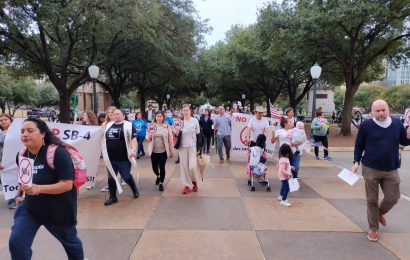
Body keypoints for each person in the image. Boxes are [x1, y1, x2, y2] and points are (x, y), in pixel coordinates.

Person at [9, 118, 84, 259]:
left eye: (30, 131)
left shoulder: (58, 153)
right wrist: (18, 195)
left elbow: (67, 184)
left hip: (58, 210)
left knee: (71, 243)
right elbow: (23, 180)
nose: (25, 134)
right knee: (17, 243)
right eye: (22, 131)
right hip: (30, 209)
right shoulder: (21, 154)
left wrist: (38, 188)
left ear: (43, 133)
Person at [351, 99, 410, 242]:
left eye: (383, 110)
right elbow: (359, 145)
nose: (381, 113)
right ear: (372, 112)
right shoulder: (365, 125)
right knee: (372, 200)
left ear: (388, 110)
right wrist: (356, 161)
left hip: (391, 168)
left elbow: (404, 142)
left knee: (393, 197)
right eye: (377, 110)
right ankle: (373, 228)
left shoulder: (396, 124)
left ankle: (380, 212)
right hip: (370, 167)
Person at [102, 109, 139, 206]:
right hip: (110, 157)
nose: (115, 116)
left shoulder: (129, 125)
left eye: (117, 114)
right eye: (114, 114)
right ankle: (113, 197)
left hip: (123, 158)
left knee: (126, 176)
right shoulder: (108, 125)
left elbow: (133, 139)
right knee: (111, 178)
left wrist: (133, 150)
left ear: (123, 115)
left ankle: (134, 189)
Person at [145, 111, 175, 192]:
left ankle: (161, 182)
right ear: (155, 117)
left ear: (163, 117)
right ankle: (158, 176)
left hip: (163, 151)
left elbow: (170, 140)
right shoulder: (151, 126)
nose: (159, 118)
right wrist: (149, 138)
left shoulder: (166, 126)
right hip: (153, 151)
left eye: (161, 116)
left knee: (162, 167)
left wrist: (171, 151)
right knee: (154, 167)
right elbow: (147, 136)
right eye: (158, 116)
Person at [177, 104, 200, 194]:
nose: (186, 112)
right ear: (182, 112)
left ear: (190, 111)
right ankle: (187, 185)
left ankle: (194, 182)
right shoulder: (179, 122)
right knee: (184, 167)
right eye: (184, 110)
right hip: (182, 147)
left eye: (187, 110)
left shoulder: (195, 121)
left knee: (192, 166)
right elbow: (175, 133)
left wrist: (200, 147)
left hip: (192, 146)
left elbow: (198, 133)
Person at [0, 114, 17, 209]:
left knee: (11, 182)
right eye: (1, 120)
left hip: (13, 162)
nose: (3, 121)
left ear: (10, 120)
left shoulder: (18, 132)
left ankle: (13, 201)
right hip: (1, 162)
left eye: (5, 119)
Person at [100, 106, 117, 192]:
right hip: (107, 148)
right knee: (108, 166)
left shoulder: (119, 123)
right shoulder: (104, 124)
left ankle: (118, 180)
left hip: (118, 148)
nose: (110, 114)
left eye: (112, 113)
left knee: (118, 166)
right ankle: (110, 184)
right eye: (109, 113)